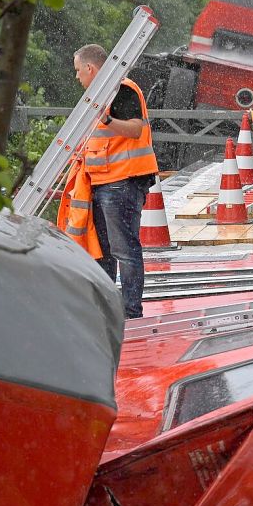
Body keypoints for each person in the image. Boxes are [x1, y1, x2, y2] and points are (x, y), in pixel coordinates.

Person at [70, 43, 158, 319]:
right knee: (105, 250)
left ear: (90, 68)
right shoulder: (98, 98)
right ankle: (110, 309)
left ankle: (130, 310)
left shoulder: (121, 88)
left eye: (77, 71)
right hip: (103, 182)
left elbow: (135, 129)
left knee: (124, 249)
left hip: (122, 182)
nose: (76, 78)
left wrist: (107, 119)